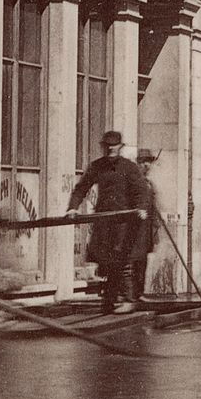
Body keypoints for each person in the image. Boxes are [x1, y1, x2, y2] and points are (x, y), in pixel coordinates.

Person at [67, 130, 152, 312]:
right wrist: (73, 207)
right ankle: (110, 299)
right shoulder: (97, 166)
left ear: (120, 147)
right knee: (106, 260)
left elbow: (141, 191)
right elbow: (82, 188)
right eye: (107, 146)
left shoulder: (129, 168)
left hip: (125, 221)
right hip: (105, 221)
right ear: (103, 147)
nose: (110, 149)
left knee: (123, 259)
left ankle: (129, 300)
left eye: (114, 146)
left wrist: (141, 208)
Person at [130, 148, 163, 301]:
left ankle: (139, 293)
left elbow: (153, 205)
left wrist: (156, 221)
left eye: (148, 162)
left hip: (146, 229)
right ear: (137, 163)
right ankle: (131, 294)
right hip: (134, 229)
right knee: (133, 261)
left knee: (142, 261)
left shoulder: (149, 183)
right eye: (143, 162)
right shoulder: (132, 181)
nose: (146, 165)